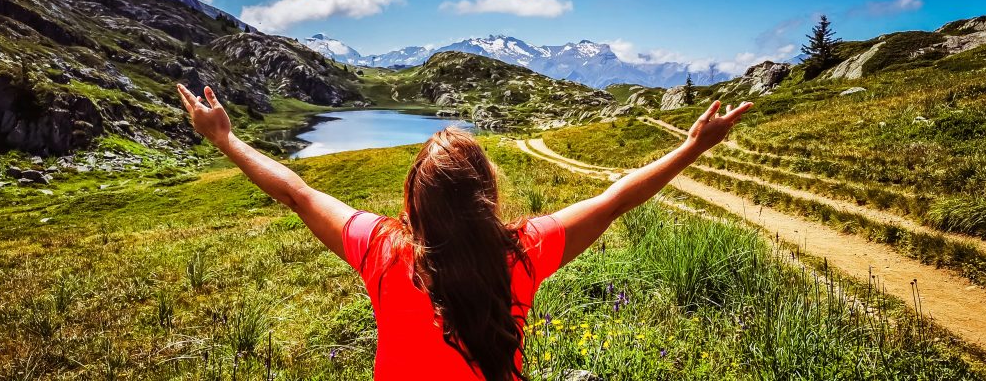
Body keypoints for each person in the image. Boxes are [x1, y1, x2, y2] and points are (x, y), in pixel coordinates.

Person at [175, 84, 752, 381]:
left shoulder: (380, 249)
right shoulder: (524, 251)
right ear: (486, 195)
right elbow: (615, 198)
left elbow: (296, 193)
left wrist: (225, 139)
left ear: (414, 199)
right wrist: (693, 146)